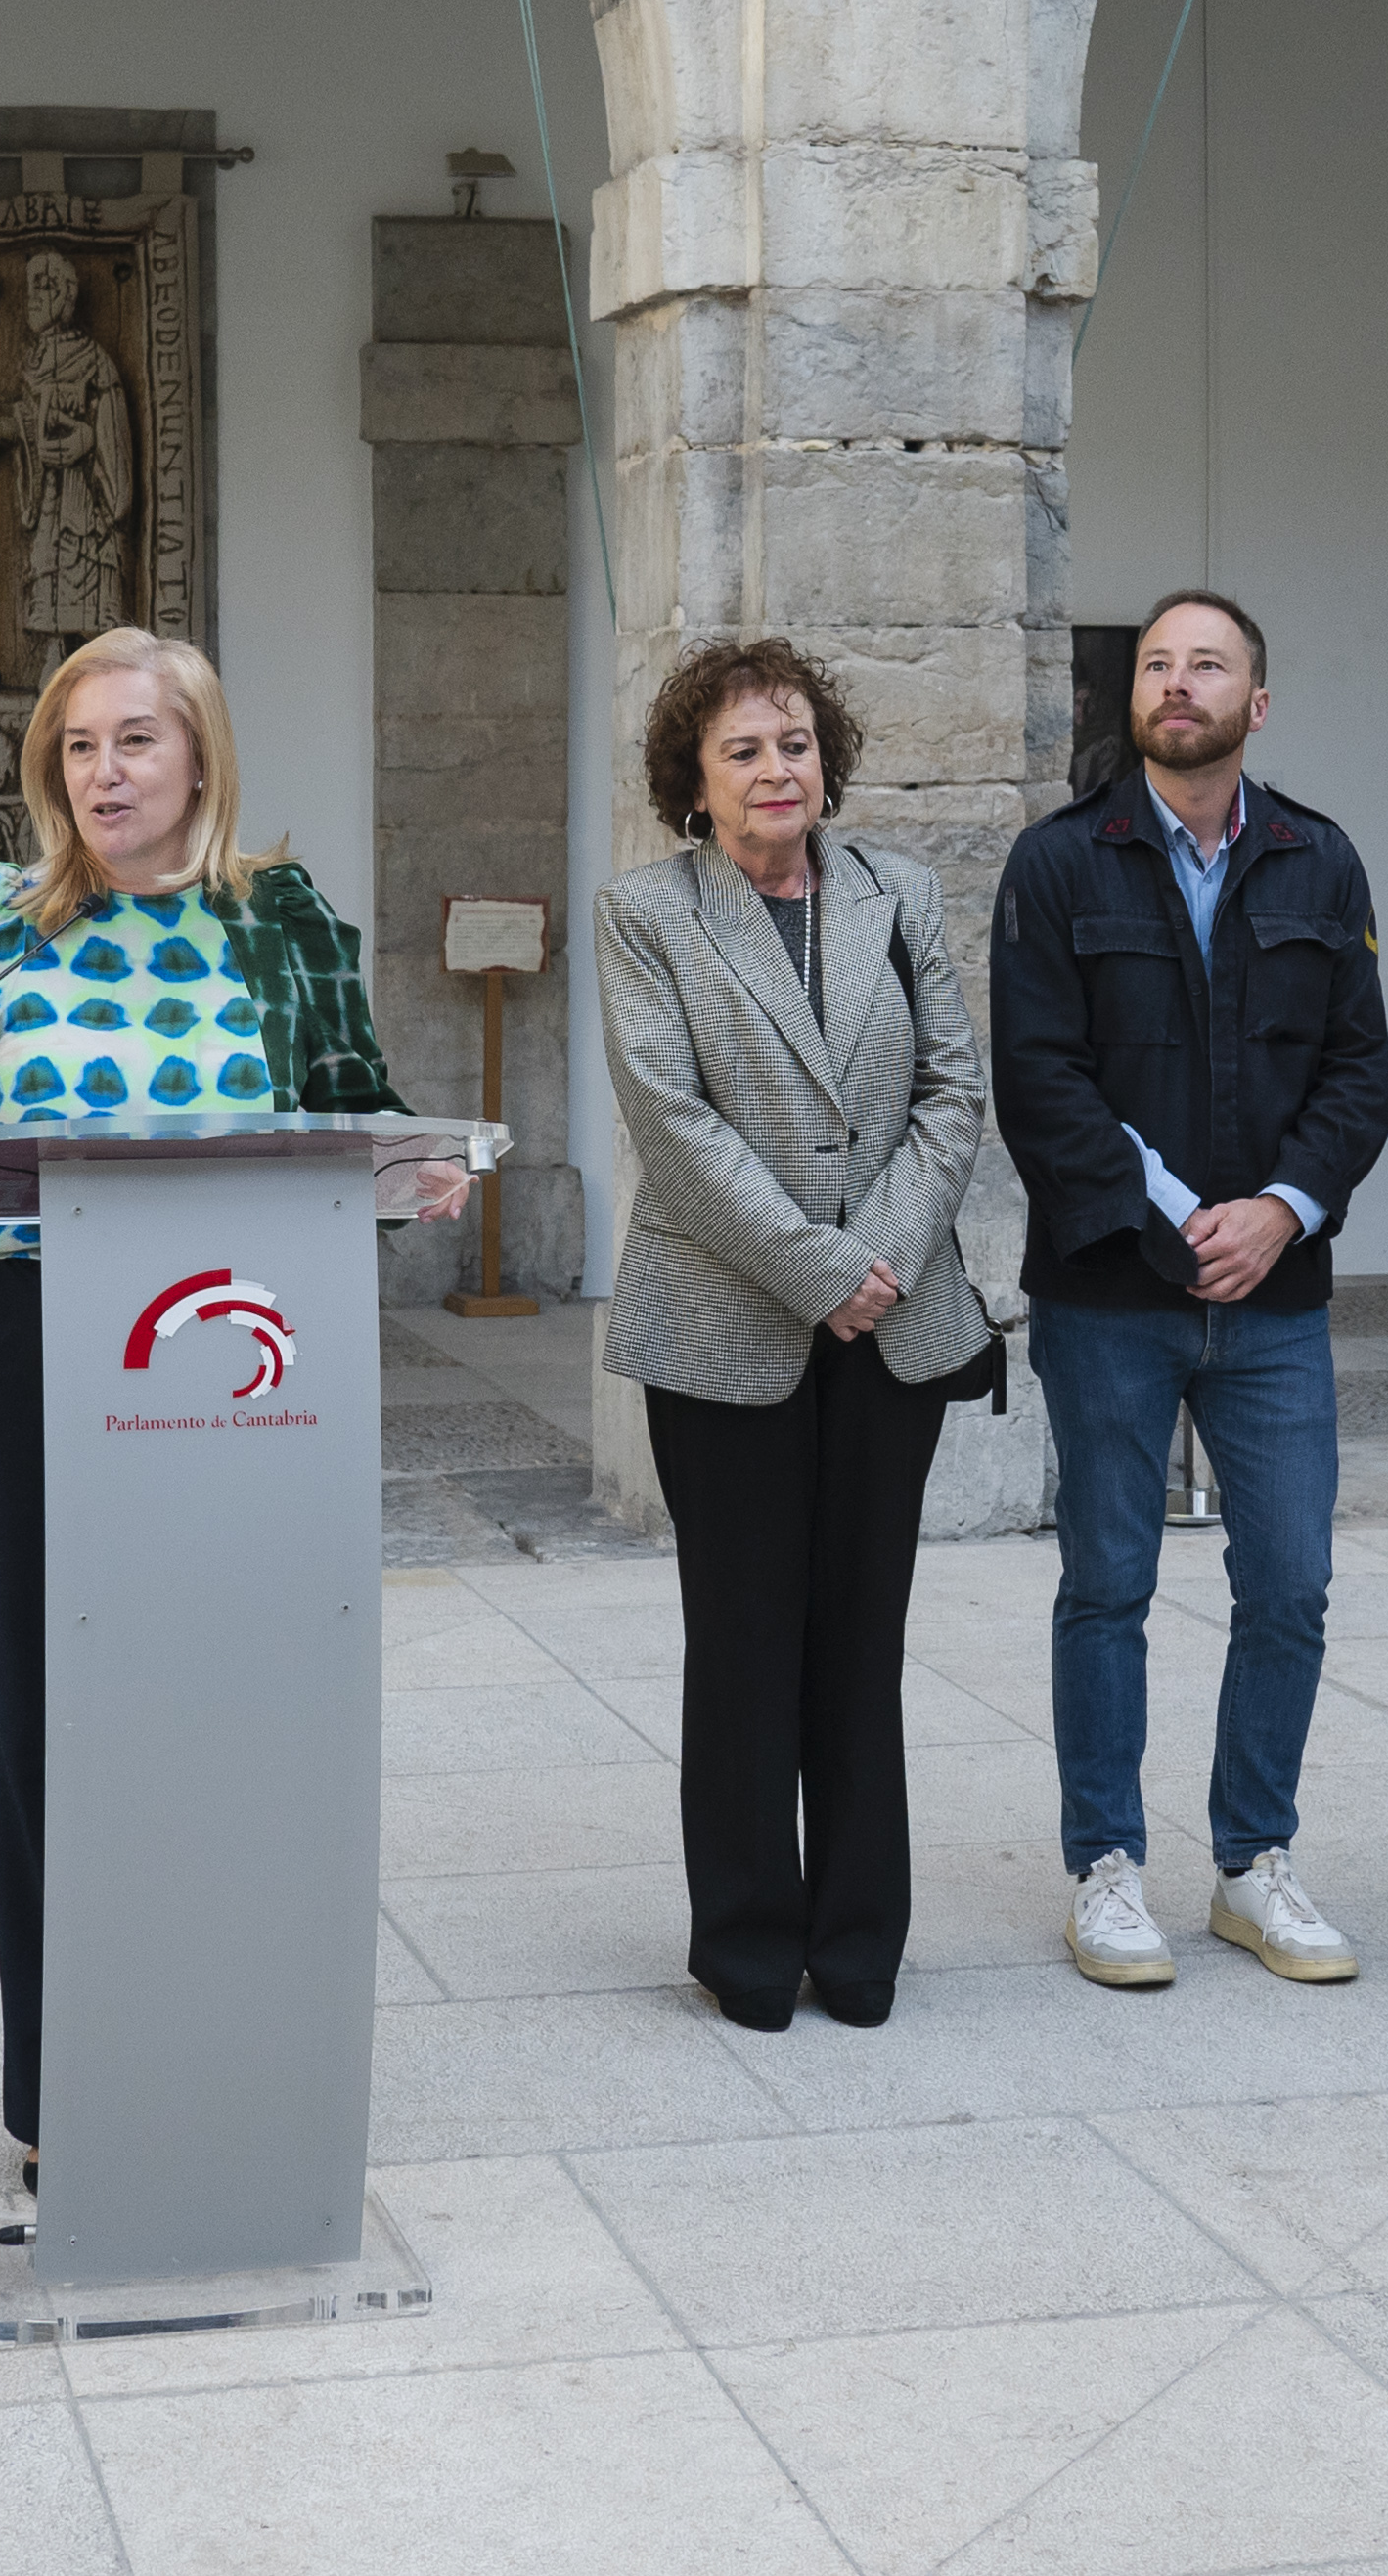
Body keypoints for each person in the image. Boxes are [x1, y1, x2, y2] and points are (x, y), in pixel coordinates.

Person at [0, 626, 469, 2167]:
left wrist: (425, 1164)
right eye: (77, 744)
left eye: (135, 739)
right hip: (27, 1338)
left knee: (224, 1693)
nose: (103, 770)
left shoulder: (281, 919)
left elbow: (352, 1107)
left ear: (201, 753)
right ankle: (70, 2094)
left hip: (239, 1346)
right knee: (53, 1711)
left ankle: (232, 2048)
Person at [991, 590, 1388, 1992]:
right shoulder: (1057, 865)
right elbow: (1038, 1079)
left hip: (1275, 1298)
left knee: (1290, 1580)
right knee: (1108, 1581)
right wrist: (1182, 1217)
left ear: (1256, 703)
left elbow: (1356, 1074)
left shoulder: (1322, 864)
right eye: (1157, 662)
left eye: (1206, 663)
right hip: (1112, 1289)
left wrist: (1278, 1213)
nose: (1176, 682)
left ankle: (1250, 1861)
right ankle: (1105, 1865)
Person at [592, 639, 990, 2033]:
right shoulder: (646, 912)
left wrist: (872, 1261)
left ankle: (861, 1934)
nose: (779, 769)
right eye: (745, 750)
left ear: (831, 762)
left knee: (860, 1636)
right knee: (747, 1636)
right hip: (728, 1322)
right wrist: (820, 1265)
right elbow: (672, 1121)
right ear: (694, 784)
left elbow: (955, 1090)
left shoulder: (903, 895)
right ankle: (751, 1935)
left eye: (798, 743)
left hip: (894, 1325)